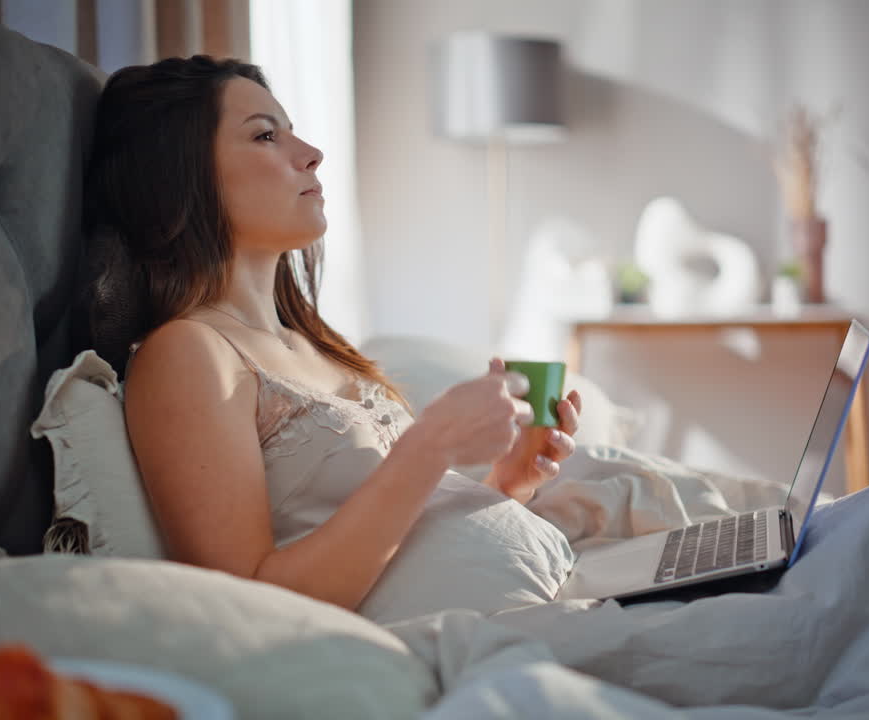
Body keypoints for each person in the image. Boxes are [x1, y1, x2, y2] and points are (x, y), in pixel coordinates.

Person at [84, 55, 584, 614]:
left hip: (535, 607)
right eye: (266, 135)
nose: (311, 153)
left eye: (291, 131)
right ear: (180, 178)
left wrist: (505, 483)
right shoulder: (188, 354)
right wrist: (433, 442)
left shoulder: (313, 344)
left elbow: (396, 544)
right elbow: (247, 603)